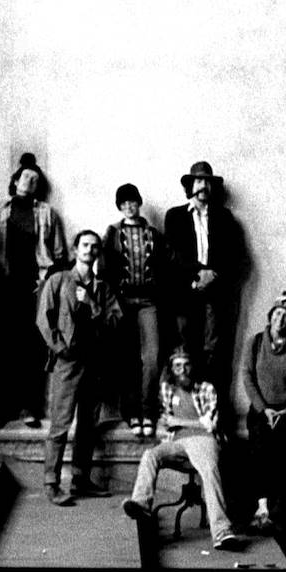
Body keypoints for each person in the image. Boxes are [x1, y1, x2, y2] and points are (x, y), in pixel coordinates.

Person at [121, 347, 242, 551]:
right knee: (150, 455)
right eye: (177, 366)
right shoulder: (167, 389)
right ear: (172, 369)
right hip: (177, 442)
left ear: (193, 367)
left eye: (186, 365)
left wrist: (178, 421)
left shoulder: (206, 388)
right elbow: (165, 420)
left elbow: (210, 425)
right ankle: (141, 504)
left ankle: (222, 531)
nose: (182, 370)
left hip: (203, 440)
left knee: (209, 470)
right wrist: (173, 423)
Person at [36, 229, 123, 506]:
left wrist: (92, 303)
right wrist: (60, 349)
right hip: (68, 362)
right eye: (85, 245)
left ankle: (81, 478)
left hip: (94, 362)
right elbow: (44, 319)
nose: (89, 250)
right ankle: (51, 483)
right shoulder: (58, 280)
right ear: (75, 249)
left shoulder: (103, 288)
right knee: (60, 424)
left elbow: (115, 322)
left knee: (88, 424)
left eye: (94, 246)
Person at [0, 152, 68, 428]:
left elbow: (59, 253)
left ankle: (30, 407)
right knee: (3, 347)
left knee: (33, 347)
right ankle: (4, 407)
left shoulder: (46, 213)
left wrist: (48, 283)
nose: (30, 182)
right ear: (15, 181)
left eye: (35, 179)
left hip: (35, 288)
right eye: (25, 177)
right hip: (4, 288)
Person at [163, 161, 243, 410]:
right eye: (198, 181)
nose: (203, 186)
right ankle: (183, 410)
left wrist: (213, 275)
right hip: (184, 293)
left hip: (215, 294)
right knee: (184, 350)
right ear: (190, 186)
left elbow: (235, 256)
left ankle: (211, 411)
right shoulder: (175, 216)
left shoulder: (225, 217)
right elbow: (172, 255)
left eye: (207, 182)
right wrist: (197, 274)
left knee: (213, 351)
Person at [98, 183, 169, 439]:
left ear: (139, 203)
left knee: (152, 357)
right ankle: (131, 413)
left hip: (149, 301)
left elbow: (164, 265)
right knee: (127, 357)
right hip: (123, 302)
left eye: (133, 202)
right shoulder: (112, 233)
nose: (129, 206)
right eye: (124, 203)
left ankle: (149, 411)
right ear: (119, 207)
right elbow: (103, 268)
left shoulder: (153, 233)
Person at [240, 290, 286, 543]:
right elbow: (247, 376)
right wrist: (264, 408)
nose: (281, 319)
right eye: (278, 314)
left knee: (285, 458)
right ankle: (261, 510)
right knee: (259, 450)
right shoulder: (256, 342)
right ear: (270, 317)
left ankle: (280, 519)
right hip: (262, 410)